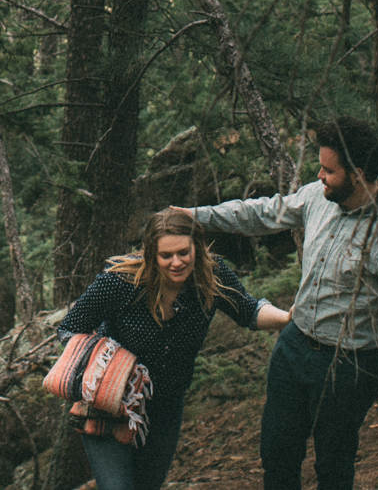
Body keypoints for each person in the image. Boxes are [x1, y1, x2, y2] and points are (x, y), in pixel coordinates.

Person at [178, 117, 378, 490]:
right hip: (296, 345)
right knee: (277, 454)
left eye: (329, 170)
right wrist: (196, 217)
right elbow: (263, 212)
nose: (319, 175)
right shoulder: (319, 196)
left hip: (352, 364)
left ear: (358, 174)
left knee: (332, 465)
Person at [57, 208, 290, 490]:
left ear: (197, 247)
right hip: (110, 402)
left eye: (183, 252)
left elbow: (249, 311)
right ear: (151, 254)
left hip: (165, 406)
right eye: (166, 255)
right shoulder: (119, 283)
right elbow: (70, 327)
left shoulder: (211, 277)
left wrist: (290, 318)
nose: (176, 262)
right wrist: (106, 363)